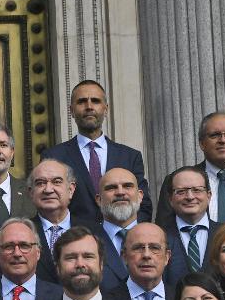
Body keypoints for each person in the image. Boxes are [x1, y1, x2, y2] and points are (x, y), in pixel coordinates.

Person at [41, 79, 149, 223]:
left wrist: (130, 237)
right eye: (82, 101)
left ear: (106, 109)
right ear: (71, 111)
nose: (89, 106)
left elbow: (143, 205)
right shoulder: (54, 157)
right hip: (75, 241)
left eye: (96, 101)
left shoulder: (130, 156)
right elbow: (48, 205)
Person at [158, 165, 215, 276]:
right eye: (181, 191)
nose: (189, 197)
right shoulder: (158, 237)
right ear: (170, 199)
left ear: (209, 196)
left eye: (197, 190)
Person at [94, 167, 145, 288]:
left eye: (127, 186)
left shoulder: (161, 239)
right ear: (99, 200)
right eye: (111, 188)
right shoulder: (86, 242)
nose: (120, 192)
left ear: (140, 196)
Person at [27, 158, 81, 274]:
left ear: (71, 189)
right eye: (40, 183)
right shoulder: (21, 233)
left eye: (56, 182)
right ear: (31, 192)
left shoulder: (95, 231)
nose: (48, 189)